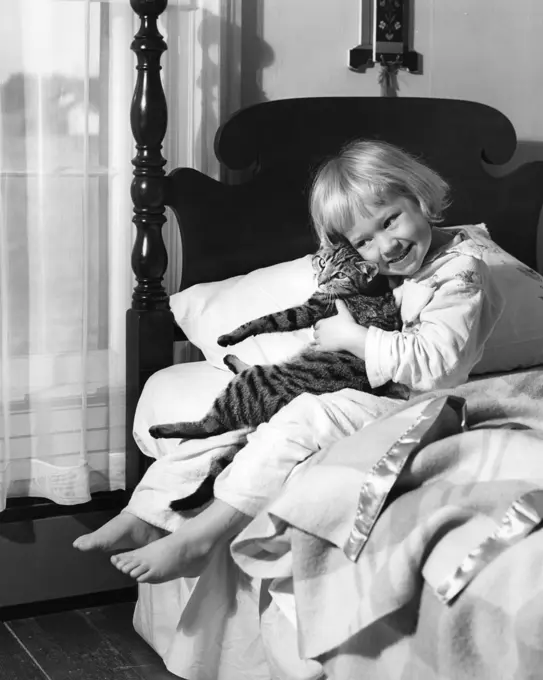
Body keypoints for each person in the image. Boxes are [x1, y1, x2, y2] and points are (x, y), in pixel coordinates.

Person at [73, 140, 504, 584]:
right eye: (364, 241)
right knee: (240, 419)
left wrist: (354, 338)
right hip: (372, 396)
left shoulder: (461, 272)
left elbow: (437, 364)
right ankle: (149, 510)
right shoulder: (394, 273)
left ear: (418, 197)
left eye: (389, 219)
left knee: (304, 415)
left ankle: (206, 535)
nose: (386, 245)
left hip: (423, 410)